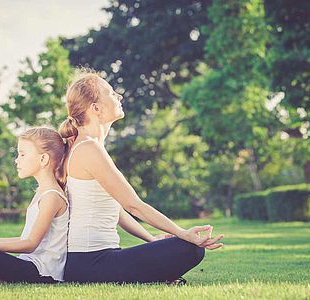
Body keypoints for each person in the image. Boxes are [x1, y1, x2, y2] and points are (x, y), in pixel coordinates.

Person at [59, 70, 224, 284]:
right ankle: (158, 277)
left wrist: (151, 239)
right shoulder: (89, 148)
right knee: (190, 249)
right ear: (96, 108)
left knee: (179, 248)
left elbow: (116, 211)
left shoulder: (88, 146)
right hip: (91, 263)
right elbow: (133, 205)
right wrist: (183, 233)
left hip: (91, 262)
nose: (119, 96)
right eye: (110, 93)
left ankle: (156, 276)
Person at [0, 127, 69, 284]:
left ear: (43, 159)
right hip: (28, 263)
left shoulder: (52, 196)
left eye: (22, 154)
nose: (17, 160)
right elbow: (24, 239)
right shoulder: (42, 192)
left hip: (42, 272)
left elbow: (30, 244)